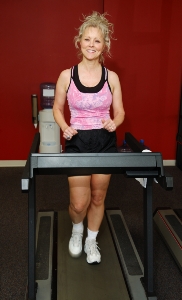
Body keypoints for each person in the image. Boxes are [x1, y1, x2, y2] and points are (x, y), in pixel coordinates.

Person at [53, 11, 125, 264]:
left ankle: (91, 240)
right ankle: (77, 230)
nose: (92, 45)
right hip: (78, 140)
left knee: (98, 197)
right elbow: (56, 108)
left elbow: (120, 112)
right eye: (87, 39)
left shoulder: (112, 78)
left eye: (97, 40)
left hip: (105, 140)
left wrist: (113, 122)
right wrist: (64, 126)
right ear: (79, 41)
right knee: (79, 203)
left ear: (104, 45)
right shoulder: (66, 75)